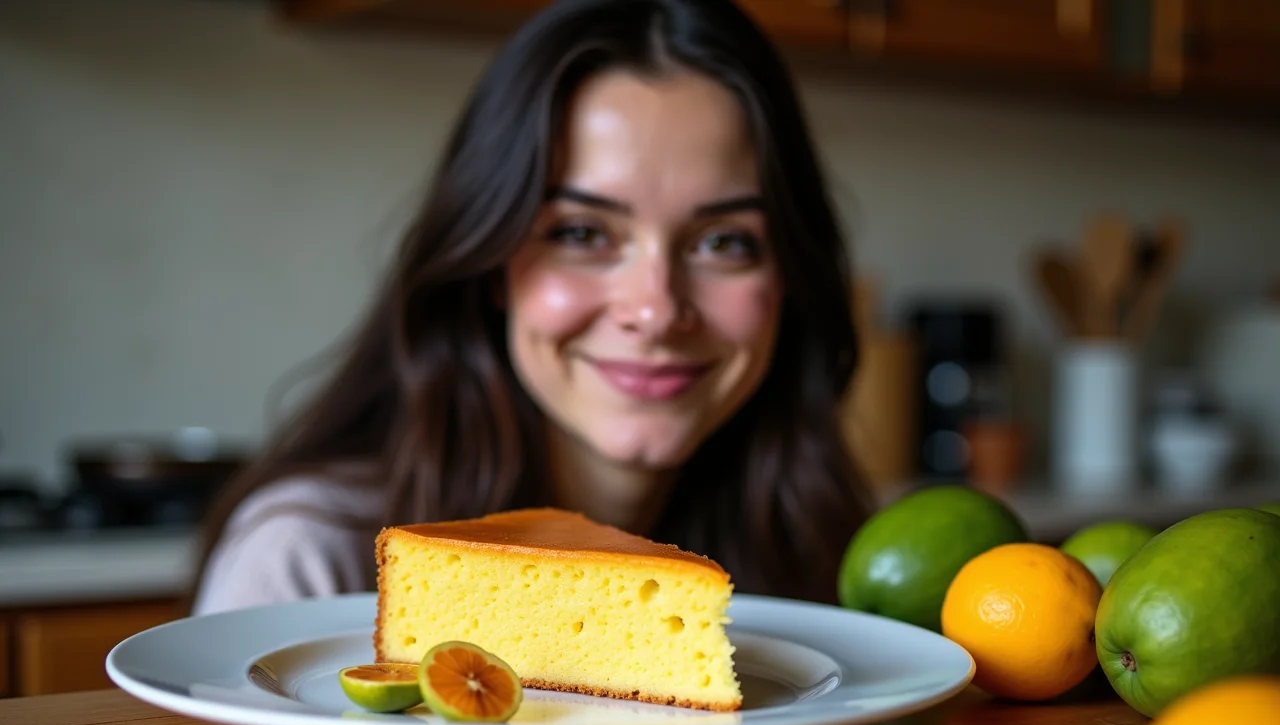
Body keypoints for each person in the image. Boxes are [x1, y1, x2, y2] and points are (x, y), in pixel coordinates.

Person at [189, 0, 872, 616]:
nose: (657, 311)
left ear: (791, 274)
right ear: (489, 263)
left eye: (725, 242)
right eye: (581, 234)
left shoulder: (827, 556)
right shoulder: (309, 558)